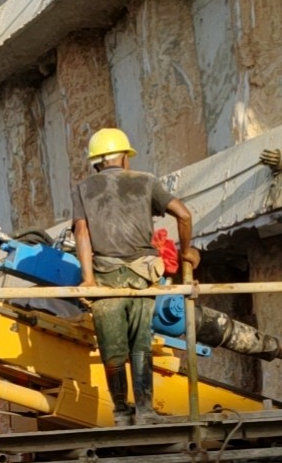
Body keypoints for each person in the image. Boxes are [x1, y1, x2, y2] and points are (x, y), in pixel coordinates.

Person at [71, 127, 200, 426]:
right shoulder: (146, 181)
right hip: (141, 276)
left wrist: (88, 279)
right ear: (125, 158)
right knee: (140, 344)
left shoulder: (83, 188)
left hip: (105, 278)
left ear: (96, 163)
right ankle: (145, 410)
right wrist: (186, 253)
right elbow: (184, 215)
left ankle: (120, 413)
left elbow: (81, 232)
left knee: (112, 348)